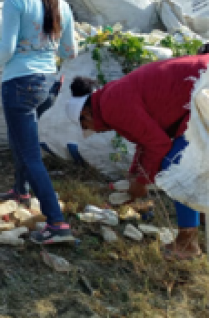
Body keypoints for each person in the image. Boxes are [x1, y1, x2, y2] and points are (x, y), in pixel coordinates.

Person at [66, 53, 209, 260]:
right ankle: (199, 213)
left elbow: (158, 144)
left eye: (88, 127)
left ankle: (188, 243)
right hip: (197, 90)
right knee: (192, 160)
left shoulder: (112, 105)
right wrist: (135, 175)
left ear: (86, 114)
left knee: (178, 166)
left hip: (202, 86)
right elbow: (145, 140)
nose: (95, 131)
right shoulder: (110, 98)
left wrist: (142, 182)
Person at [0, 0, 78, 244]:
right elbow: (71, 50)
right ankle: (20, 191)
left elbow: (7, 47)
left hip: (20, 82)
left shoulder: (16, 2)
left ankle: (57, 222)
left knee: (31, 153)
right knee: (20, 138)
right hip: (49, 83)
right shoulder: (62, 5)